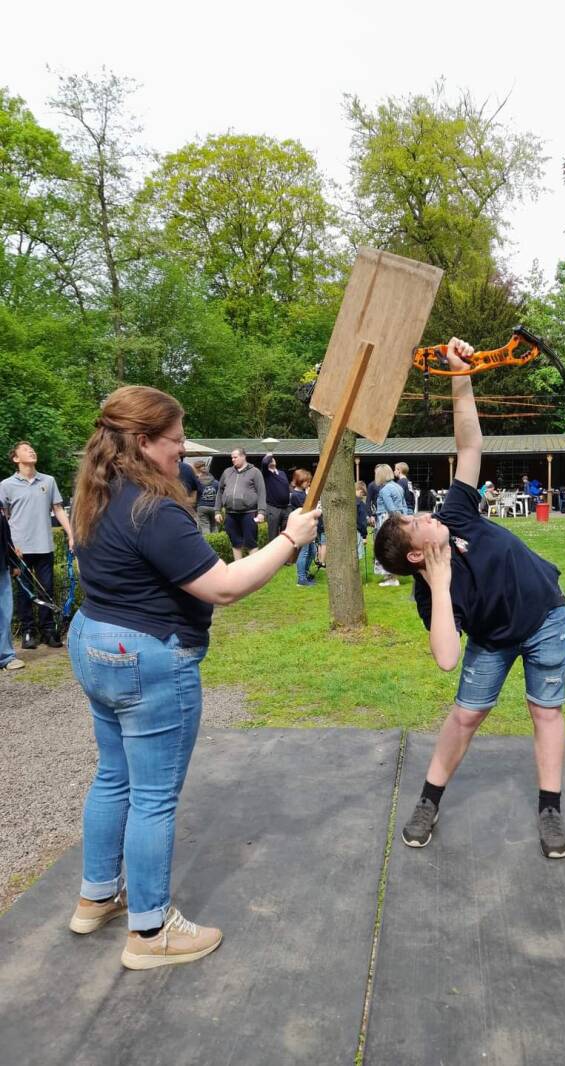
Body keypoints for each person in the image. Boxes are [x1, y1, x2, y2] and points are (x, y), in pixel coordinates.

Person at [66, 385, 319, 970]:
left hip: (93, 641)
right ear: (142, 441)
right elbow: (222, 587)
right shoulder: (151, 509)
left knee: (113, 777)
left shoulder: (95, 493)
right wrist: (290, 539)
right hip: (146, 657)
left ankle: (96, 897)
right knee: (152, 798)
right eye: (175, 441)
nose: (182, 450)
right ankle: (151, 932)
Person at [374, 338, 565, 860]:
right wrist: (441, 586)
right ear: (415, 554)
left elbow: (469, 447)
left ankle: (550, 809)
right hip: (493, 639)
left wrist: (459, 374)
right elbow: (446, 657)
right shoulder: (430, 593)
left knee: (545, 711)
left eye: (417, 513)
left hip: (546, 616)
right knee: (465, 715)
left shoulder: (455, 515)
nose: (426, 514)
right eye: (416, 522)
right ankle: (428, 801)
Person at [1, 441, 73, 648]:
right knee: (25, 592)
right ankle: (28, 631)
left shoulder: (48, 481)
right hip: (19, 549)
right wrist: (8, 546)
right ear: (16, 458)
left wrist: (71, 534)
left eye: (32, 448)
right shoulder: (6, 485)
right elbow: (3, 517)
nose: (31, 450)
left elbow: (58, 509)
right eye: (25, 449)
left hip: (44, 546)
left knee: (47, 590)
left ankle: (48, 631)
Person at [214, 448, 266, 560]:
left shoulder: (255, 472)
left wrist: (261, 512)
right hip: (230, 513)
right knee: (235, 543)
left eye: (235, 457)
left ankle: (255, 568)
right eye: (232, 458)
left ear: (243, 457)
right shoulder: (227, 472)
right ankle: (238, 567)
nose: (233, 459)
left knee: (251, 543)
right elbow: (220, 491)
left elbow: (261, 492)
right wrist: (217, 510)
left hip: (249, 513)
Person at [374, 463, 408, 588]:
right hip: (399, 518)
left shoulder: (385, 490)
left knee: (385, 547)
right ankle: (394, 575)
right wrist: (404, 518)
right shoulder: (398, 487)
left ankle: (390, 578)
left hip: (387, 519)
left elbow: (390, 508)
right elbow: (404, 505)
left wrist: (393, 520)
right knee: (395, 547)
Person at [0, 502, 25, 671]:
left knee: (4, 613)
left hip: (2, 567)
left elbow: (5, 538)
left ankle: (5, 656)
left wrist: (14, 563)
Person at [289, 469, 316, 586]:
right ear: (300, 481)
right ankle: (301, 578)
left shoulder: (303, 493)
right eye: (307, 481)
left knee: (312, 552)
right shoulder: (295, 495)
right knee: (304, 552)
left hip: (308, 526)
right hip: (302, 527)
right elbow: (305, 509)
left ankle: (305, 573)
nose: (309, 484)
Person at [261, 453, 291, 543]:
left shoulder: (282, 473)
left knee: (286, 535)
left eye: (273, 458)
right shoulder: (266, 474)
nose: (271, 460)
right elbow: (264, 463)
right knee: (273, 536)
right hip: (273, 508)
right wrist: (270, 454)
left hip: (286, 508)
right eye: (269, 459)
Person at [193, 461, 219, 534]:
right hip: (214, 507)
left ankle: (207, 540)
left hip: (201, 506)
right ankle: (216, 540)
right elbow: (219, 494)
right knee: (214, 526)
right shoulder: (215, 482)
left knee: (205, 526)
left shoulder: (197, 482)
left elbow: (194, 494)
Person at [356, 481, 368, 561]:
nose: (363, 496)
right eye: (363, 494)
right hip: (358, 531)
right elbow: (363, 521)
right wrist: (364, 536)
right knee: (357, 555)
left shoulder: (348, 501)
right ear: (360, 491)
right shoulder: (361, 504)